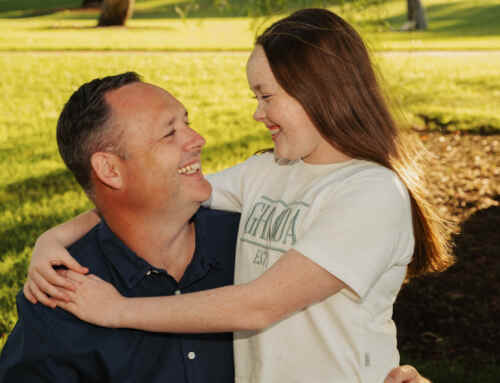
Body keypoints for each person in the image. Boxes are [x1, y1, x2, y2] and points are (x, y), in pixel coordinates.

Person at [23, 8, 452, 383]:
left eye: (266, 96)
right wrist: (54, 240)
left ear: (318, 93)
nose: (257, 112)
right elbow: (158, 196)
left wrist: (117, 310)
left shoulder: (368, 193)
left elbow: (260, 305)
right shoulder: (265, 172)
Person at [0, 73, 240, 382]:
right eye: (170, 133)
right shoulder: (60, 298)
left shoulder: (253, 244)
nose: (198, 139)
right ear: (110, 170)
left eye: (187, 122)